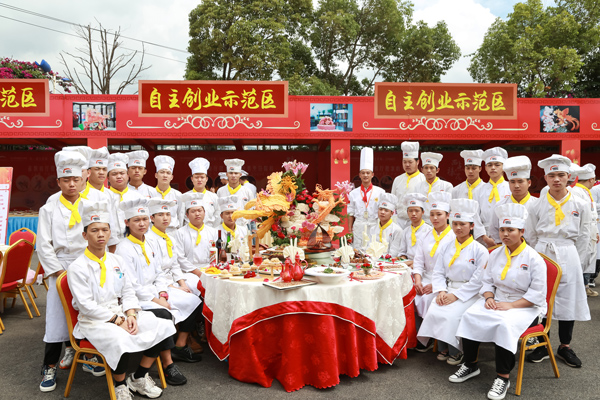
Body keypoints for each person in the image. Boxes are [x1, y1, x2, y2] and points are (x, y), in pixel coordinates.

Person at [67, 200, 177, 399]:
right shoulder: (77, 267)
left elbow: (128, 291)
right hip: (94, 320)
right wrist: (117, 321)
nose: (101, 234)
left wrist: (131, 313)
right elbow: (86, 305)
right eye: (94, 230)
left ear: (110, 232)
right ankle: (120, 384)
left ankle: (139, 377)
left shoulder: (116, 260)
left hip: (120, 312)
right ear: (84, 235)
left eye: (104, 230)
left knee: (161, 325)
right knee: (121, 338)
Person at [451, 203, 547, 400]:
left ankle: (503, 377)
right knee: (470, 315)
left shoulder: (534, 259)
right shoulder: (495, 254)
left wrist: (511, 305)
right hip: (497, 300)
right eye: (502, 229)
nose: (505, 234)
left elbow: (537, 295)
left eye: (510, 230)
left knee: (504, 325)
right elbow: (486, 282)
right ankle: (470, 364)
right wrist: (488, 297)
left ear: (521, 231)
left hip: (525, 306)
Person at [38, 151, 104, 392]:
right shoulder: (49, 208)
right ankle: (49, 366)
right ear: (58, 182)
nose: (72, 184)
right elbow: (43, 245)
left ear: (84, 178)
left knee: (89, 311)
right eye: (66, 180)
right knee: (56, 317)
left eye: (76, 179)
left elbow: (100, 235)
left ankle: (88, 355)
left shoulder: (92, 204)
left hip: (87, 265)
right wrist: (58, 272)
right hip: (62, 268)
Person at [115, 198, 201, 383]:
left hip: (155, 292)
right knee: (164, 314)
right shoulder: (124, 249)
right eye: (136, 220)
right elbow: (130, 285)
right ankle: (168, 364)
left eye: (144, 219)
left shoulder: (149, 243)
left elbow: (159, 272)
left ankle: (179, 346)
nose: (142, 223)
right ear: (127, 223)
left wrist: (162, 293)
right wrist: (157, 300)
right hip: (137, 298)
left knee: (193, 300)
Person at [525, 155, 592, 368]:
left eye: (561, 175)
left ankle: (565, 346)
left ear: (569, 176)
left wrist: (578, 261)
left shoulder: (581, 204)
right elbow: (531, 233)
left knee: (568, 299)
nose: (556, 179)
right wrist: (537, 255)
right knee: (542, 298)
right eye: (552, 175)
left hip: (569, 252)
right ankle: (542, 343)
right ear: (545, 178)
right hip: (543, 252)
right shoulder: (536, 204)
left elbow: (584, 235)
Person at [417, 198, 488, 366]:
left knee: (451, 315)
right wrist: (441, 291)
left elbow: (478, 281)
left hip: (470, 293)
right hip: (448, 288)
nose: (458, 228)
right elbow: (439, 272)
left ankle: (457, 351)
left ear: (472, 226)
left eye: (463, 224)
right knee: (436, 308)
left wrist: (455, 296)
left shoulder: (480, 250)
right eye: (455, 224)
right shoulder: (446, 246)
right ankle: (444, 347)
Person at [411, 191, 455, 352]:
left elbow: (452, 269)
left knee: (429, 298)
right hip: (424, 278)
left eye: (439, 214)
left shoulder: (453, 237)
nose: (435, 218)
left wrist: (435, 285)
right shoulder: (426, 234)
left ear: (448, 215)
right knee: (410, 295)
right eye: (432, 214)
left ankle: (428, 338)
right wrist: (417, 280)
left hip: (443, 282)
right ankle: (415, 336)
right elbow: (418, 260)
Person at [489, 156, 539, 245]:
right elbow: (494, 231)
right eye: (512, 182)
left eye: (520, 181)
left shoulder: (537, 204)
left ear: (529, 183)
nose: (516, 185)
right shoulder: (500, 206)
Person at [176, 192, 218, 294]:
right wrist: (197, 272)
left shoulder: (213, 232)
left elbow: (217, 254)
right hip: (189, 273)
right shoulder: (180, 233)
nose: (197, 214)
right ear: (187, 215)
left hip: (210, 270)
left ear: (204, 212)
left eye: (199, 210)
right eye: (193, 211)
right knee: (195, 287)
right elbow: (180, 258)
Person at [569, 163, 599, 297]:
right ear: (591, 179)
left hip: (590, 232)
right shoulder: (576, 192)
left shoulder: (585, 192)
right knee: (580, 260)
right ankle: (579, 288)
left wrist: (595, 232)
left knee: (588, 260)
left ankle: (584, 286)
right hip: (582, 233)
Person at [347, 148, 385, 250]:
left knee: (373, 250)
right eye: (363, 173)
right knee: (358, 250)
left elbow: (384, 211)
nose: (365, 175)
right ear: (359, 175)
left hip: (374, 224)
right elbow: (350, 213)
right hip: (359, 225)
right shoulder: (353, 193)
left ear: (372, 175)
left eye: (368, 173)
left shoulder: (380, 192)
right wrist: (349, 231)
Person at [452, 149, 490, 246]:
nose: (470, 171)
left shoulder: (487, 189)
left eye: (474, 168)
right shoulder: (456, 190)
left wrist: (483, 235)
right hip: (461, 234)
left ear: (480, 169)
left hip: (483, 236)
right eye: (467, 168)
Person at [105, 153, 143, 240]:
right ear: (108, 178)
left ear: (128, 176)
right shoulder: (103, 197)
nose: (119, 176)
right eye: (114, 174)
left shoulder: (137, 197)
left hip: (132, 241)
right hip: (109, 242)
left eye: (122, 173)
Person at [476, 147, 510, 239]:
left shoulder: (510, 187)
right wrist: (484, 237)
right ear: (485, 168)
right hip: (484, 235)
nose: (493, 168)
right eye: (490, 165)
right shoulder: (480, 189)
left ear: (504, 167)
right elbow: (475, 215)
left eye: (497, 165)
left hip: (506, 232)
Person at [391, 141, 426, 229]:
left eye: (410, 162)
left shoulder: (424, 179)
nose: (407, 165)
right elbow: (393, 201)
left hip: (417, 221)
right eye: (404, 162)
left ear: (417, 162)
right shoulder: (398, 179)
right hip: (399, 221)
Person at [180, 158, 220, 229]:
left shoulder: (214, 197)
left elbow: (218, 217)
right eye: (196, 177)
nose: (199, 180)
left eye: (202, 177)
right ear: (192, 179)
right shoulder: (185, 197)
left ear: (206, 179)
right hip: (189, 232)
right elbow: (181, 217)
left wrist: (212, 231)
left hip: (209, 232)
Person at [397, 193, 433, 264]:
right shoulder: (406, 231)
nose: (413, 214)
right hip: (407, 264)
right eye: (410, 211)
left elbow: (429, 256)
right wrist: (401, 259)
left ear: (423, 212)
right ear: (407, 212)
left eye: (417, 211)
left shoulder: (429, 230)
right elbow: (402, 252)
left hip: (423, 266)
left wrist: (413, 263)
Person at [150, 155, 182, 232]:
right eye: (162, 172)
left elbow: (181, 216)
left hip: (173, 232)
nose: (165, 175)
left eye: (168, 173)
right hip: (153, 232)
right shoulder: (149, 193)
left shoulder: (178, 195)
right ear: (156, 175)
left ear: (172, 177)